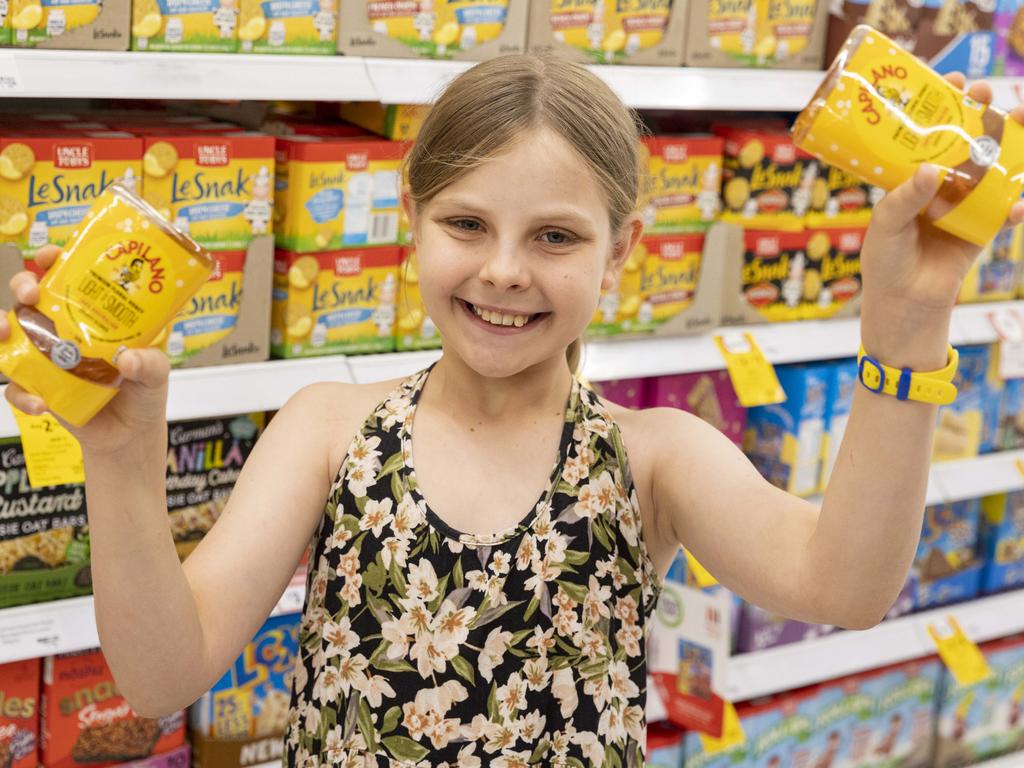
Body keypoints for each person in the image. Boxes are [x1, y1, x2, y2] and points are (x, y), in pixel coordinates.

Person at [6, 55, 1024, 767]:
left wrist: (906, 324)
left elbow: (842, 586)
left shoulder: (653, 458)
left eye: (553, 237)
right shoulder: (328, 431)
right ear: (410, 219)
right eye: (465, 223)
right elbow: (157, 675)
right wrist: (124, 460)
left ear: (620, 251)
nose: (502, 270)